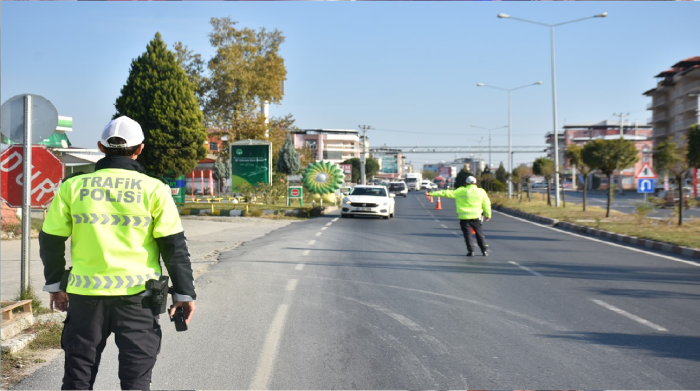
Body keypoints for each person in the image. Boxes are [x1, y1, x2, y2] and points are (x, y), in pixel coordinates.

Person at [40, 116, 197, 390]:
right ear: (140, 149)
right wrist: (184, 294)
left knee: (77, 379)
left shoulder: (72, 187)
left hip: (86, 300)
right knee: (136, 382)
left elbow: (50, 240)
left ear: (102, 147)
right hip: (139, 300)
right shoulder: (155, 190)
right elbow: (173, 247)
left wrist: (55, 285)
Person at [426, 175, 492, 257]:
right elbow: (486, 204)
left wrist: (431, 193)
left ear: (466, 183)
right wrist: (488, 214)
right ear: (475, 183)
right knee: (479, 233)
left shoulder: (460, 191)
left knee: (467, 235)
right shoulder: (481, 191)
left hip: (464, 217)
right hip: (476, 217)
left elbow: (446, 193)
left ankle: (471, 251)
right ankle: (484, 250)